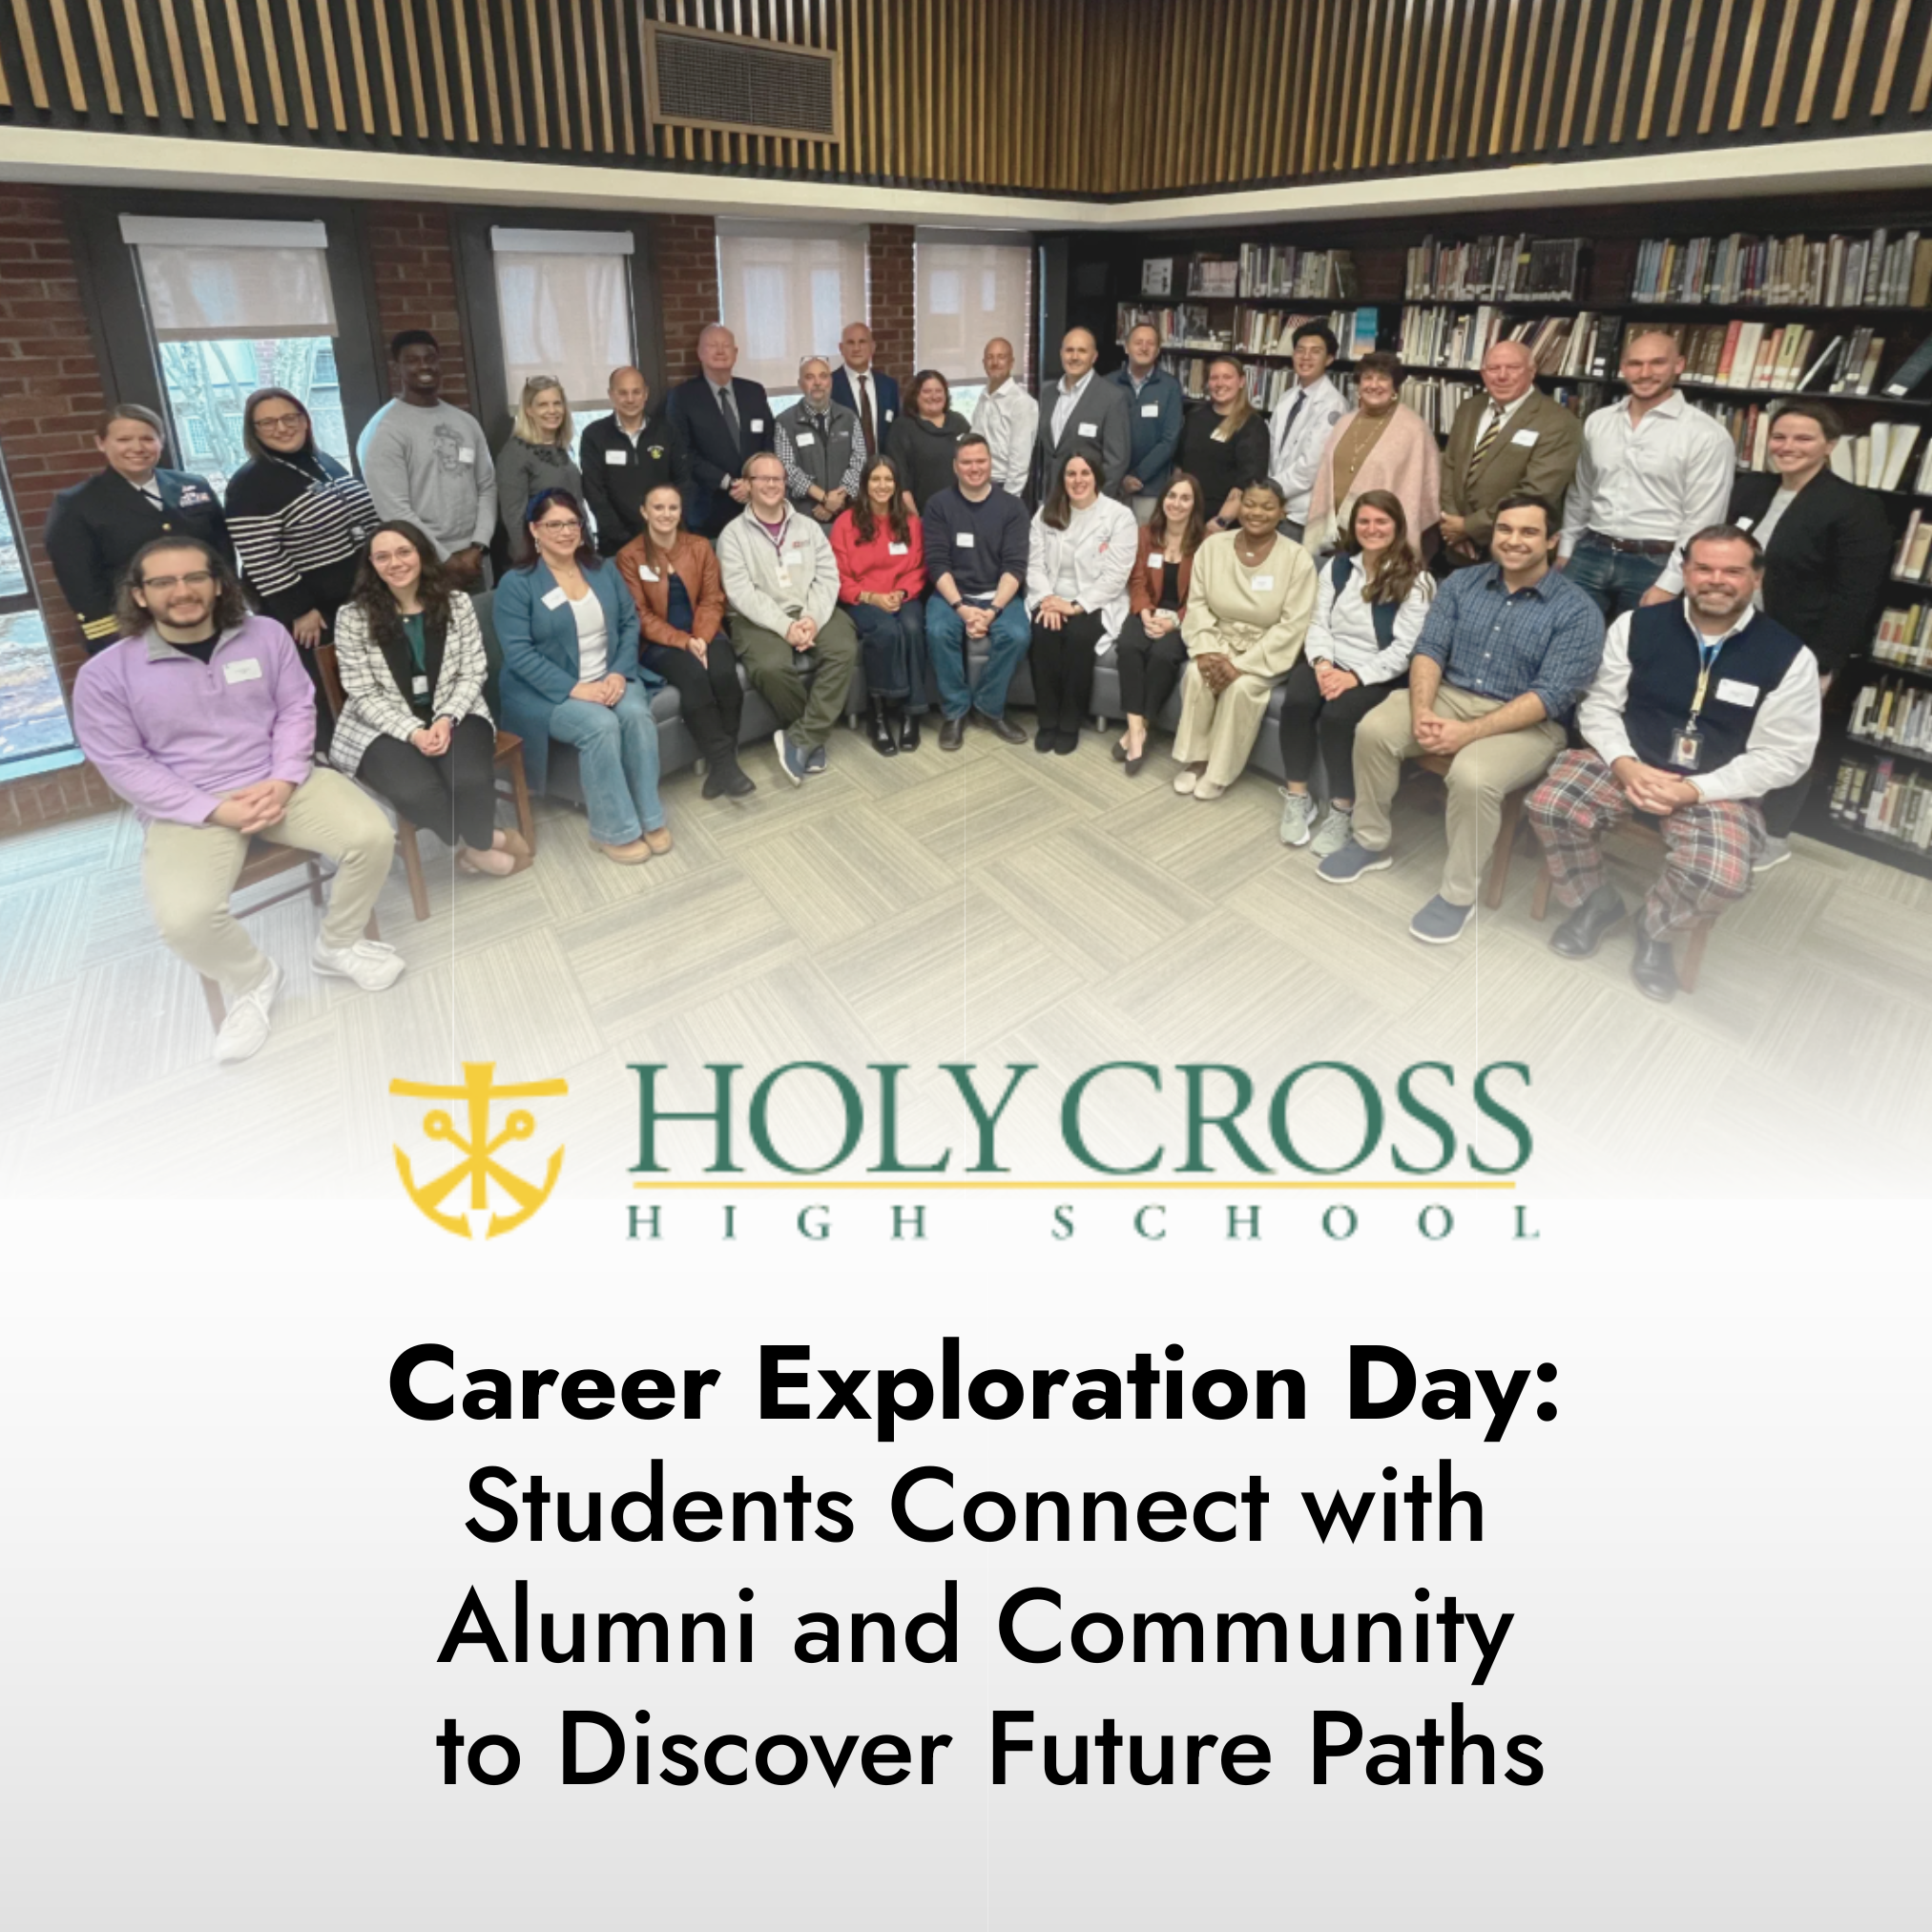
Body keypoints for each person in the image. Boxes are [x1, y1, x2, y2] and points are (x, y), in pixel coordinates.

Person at [70, 538, 403, 1064]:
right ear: (138, 595)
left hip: (280, 777)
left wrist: (285, 778)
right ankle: (254, 979)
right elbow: (122, 765)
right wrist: (214, 809)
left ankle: (338, 943)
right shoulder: (105, 675)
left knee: (374, 835)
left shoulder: (265, 635)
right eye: (163, 582)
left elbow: (297, 708)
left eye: (194, 577)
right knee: (185, 920)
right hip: (188, 806)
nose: (182, 592)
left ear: (219, 583)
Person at [1527, 525, 1820, 1002]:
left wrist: (1695, 790)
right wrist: (1624, 764)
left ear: (1757, 579)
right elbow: (1599, 707)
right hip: (1629, 761)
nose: (1716, 580)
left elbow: (1786, 755)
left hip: (1717, 786)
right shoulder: (1636, 626)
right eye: (1703, 568)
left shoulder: (1790, 657)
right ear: (1684, 571)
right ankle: (1596, 902)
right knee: (1549, 805)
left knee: (1721, 876)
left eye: (1733, 571)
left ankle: (1655, 927)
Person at [1318, 491, 1605, 945]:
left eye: (1529, 532)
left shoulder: (1577, 611)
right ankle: (1370, 842)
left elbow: (1551, 695)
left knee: (1472, 777)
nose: (1514, 540)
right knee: (1373, 730)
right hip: (1448, 696)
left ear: (1551, 541)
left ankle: (1457, 895)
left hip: (1528, 722)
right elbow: (1429, 649)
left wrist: (1468, 733)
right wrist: (1423, 709)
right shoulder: (1461, 583)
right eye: (1505, 529)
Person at [1727, 399, 1893, 869]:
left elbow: (1856, 596)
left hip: (1801, 645)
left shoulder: (1855, 507)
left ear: (1830, 445)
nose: (1788, 446)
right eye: (1780, 437)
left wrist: (1823, 663)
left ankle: (1774, 834)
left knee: (1787, 737)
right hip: (1739, 632)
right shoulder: (1753, 489)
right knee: (1736, 726)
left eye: (1803, 438)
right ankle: (1726, 818)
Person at [328, 521, 527, 878]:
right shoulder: (352, 617)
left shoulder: (456, 603)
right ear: (371, 564)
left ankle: (477, 846)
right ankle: (480, 841)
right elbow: (361, 691)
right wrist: (412, 732)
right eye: (383, 556)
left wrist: (445, 719)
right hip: (381, 722)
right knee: (419, 793)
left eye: (404, 552)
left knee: (468, 779)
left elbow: (472, 671)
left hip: (454, 708)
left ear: (421, 553)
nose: (395, 563)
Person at [496, 487, 669, 864]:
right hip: (546, 692)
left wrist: (619, 674)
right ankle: (613, 830)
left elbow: (627, 623)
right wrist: (576, 688)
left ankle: (650, 816)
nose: (565, 532)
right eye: (553, 524)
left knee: (637, 717)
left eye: (572, 523)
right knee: (600, 726)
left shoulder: (602, 569)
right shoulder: (517, 584)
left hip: (610, 676)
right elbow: (519, 654)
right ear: (535, 530)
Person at [1277, 489, 1434, 859]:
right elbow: (1319, 623)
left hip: (1377, 671)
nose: (1372, 528)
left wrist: (1355, 678)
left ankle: (1343, 809)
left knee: (1337, 717)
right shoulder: (1338, 566)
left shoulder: (1417, 580)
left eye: (1382, 521)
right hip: (1329, 659)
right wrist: (1323, 664)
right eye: (1364, 521)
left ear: (1397, 526)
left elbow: (1405, 650)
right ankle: (1298, 797)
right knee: (1297, 701)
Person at [222, 386, 376, 737]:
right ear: (254, 431)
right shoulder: (250, 483)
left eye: (290, 417)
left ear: (305, 421)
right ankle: (328, 755)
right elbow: (260, 555)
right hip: (310, 614)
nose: (282, 427)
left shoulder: (323, 461)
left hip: (354, 599)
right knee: (323, 691)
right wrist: (299, 609)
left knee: (357, 682)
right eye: (268, 422)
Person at [1559, 328, 1735, 618]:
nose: (1645, 372)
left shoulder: (1706, 435)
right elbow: (1582, 492)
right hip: (1591, 550)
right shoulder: (1598, 422)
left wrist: (1671, 583)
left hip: (1656, 562)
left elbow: (1703, 520)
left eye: (1657, 363)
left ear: (1678, 365)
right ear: (1623, 368)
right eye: (1635, 364)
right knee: (1567, 641)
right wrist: (1567, 548)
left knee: (1639, 653)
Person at [717, 452, 861, 784]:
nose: (771, 484)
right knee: (769, 666)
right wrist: (785, 627)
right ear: (748, 485)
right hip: (756, 617)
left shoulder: (808, 528)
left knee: (843, 648)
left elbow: (828, 578)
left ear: (786, 484)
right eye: (762, 478)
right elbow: (742, 593)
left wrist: (811, 618)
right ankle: (810, 735)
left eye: (777, 478)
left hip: (810, 607)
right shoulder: (733, 535)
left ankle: (802, 738)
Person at [1172, 476, 1318, 801]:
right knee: (1198, 674)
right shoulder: (1213, 546)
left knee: (1239, 688)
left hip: (1266, 651)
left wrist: (1240, 664)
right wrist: (1208, 650)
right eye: (1249, 504)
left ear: (1282, 513)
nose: (1256, 513)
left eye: (1267, 507)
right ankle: (1196, 760)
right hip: (1218, 639)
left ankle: (1220, 771)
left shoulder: (1297, 559)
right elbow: (1197, 604)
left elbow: (1293, 625)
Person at [45, 404, 232, 652]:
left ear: (161, 442)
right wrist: (116, 638)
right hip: (135, 630)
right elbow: (82, 585)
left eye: (147, 438)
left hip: (207, 617)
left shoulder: (193, 486)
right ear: (101, 443)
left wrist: (229, 607)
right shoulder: (77, 504)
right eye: (124, 439)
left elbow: (223, 554)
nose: (137, 448)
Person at [616, 481, 754, 800]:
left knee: (723, 674)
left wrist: (702, 638)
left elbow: (712, 599)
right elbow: (641, 616)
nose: (666, 514)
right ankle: (726, 764)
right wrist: (684, 642)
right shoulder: (629, 556)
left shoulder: (699, 546)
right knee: (694, 678)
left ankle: (722, 767)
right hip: (659, 644)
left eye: (673, 508)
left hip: (704, 632)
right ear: (644, 512)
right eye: (658, 507)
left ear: (681, 512)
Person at [356, 331, 495, 587]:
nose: (424, 366)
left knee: (480, 624)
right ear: (397, 368)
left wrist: (479, 545)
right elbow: (394, 509)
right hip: (423, 563)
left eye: (430, 358)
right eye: (412, 360)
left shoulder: (465, 422)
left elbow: (486, 486)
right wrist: (445, 559)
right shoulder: (384, 430)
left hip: (475, 560)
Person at [923, 435, 1033, 750]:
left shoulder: (1012, 507)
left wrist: (993, 610)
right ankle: (956, 712)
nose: (975, 468)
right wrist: (961, 607)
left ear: (991, 463)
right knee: (939, 630)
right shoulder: (938, 505)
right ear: (955, 467)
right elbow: (937, 563)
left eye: (981, 461)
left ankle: (988, 706)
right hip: (952, 594)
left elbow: (1015, 567)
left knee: (1017, 635)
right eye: (967, 462)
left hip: (998, 594)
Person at [1437, 340, 1583, 574]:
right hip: (1460, 550)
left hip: (1517, 550)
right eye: (1493, 369)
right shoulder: (1469, 408)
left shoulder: (1559, 422)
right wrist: (1451, 524)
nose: (1502, 376)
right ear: (1483, 374)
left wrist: (1469, 527)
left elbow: (1537, 491)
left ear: (1532, 372)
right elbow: (1450, 467)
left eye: (1513, 368)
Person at [1025, 454, 1138, 754]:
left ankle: (1069, 722)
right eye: (1071, 474)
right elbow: (1034, 566)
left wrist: (1075, 606)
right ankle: (1047, 721)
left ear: (1096, 476)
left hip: (1097, 600)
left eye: (1085, 473)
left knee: (1078, 637)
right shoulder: (1045, 513)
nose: (1078, 480)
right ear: (1062, 478)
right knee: (1043, 634)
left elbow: (1116, 576)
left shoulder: (1119, 517)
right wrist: (1048, 601)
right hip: (1050, 595)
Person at [831, 454, 928, 757]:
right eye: (876, 479)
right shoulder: (846, 523)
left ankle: (912, 713)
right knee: (885, 631)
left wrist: (900, 591)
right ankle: (879, 715)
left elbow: (919, 567)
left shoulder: (910, 520)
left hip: (902, 595)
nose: (882, 485)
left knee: (912, 627)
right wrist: (871, 597)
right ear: (864, 484)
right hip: (862, 599)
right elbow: (837, 574)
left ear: (897, 485)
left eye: (889, 479)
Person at [1302, 351, 1440, 558]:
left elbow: (1422, 492)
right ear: (1358, 386)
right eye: (1367, 378)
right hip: (1336, 533)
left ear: (1395, 387)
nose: (1374, 385)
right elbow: (1325, 477)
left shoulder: (1414, 429)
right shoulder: (1344, 423)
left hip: (1379, 535)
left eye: (1383, 378)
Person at [1111, 471, 1206, 775]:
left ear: (1194, 504)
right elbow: (1137, 579)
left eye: (1185, 498)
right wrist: (1145, 612)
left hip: (1182, 617)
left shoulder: (1206, 542)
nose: (1176, 504)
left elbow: (1203, 594)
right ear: (1162, 499)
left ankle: (1135, 731)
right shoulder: (1144, 534)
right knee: (1128, 647)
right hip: (1147, 610)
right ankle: (1138, 730)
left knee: (1163, 656)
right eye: (1171, 496)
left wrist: (1176, 622)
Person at [666, 324, 774, 540]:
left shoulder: (754, 391)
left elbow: (769, 441)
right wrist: (729, 482)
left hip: (757, 503)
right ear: (700, 353)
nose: (720, 351)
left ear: (736, 353)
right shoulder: (683, 397)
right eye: (712, 345)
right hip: (709, 509)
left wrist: (754, 482)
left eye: (726, 346)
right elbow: (682, 452)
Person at [580, 364, 692, 557]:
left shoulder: (667, 432)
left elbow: (683, 483)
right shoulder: (594, 435)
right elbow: (594, 492)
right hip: (616, 547)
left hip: (666, 540)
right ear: (611, 395)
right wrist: (622, 537)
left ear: (645, 394)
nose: (630, 399)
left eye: (636, 392)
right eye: (623, 393)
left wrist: (663, 529)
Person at [1266, 324, 1347, 544]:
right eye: (1300, 350)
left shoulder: (1334, 405)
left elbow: (1311, 467)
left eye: (1315, 351)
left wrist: (1271, 491)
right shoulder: (1287, 397)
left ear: (1329, 359)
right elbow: (1272, 450)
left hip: (1301, 514)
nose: (1306, 357)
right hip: (1275, 506)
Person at [1176, 356, 1273, 533]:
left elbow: (1248, 482)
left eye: (1227, 377)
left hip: (1222, 524)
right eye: (1214, 378)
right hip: (1187, 515)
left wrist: (1221, 522)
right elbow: (1180, 466)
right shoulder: (1195, 416)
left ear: (1242, 381)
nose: (1220, 383)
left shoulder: (1252, 425)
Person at [496, 375, 584, 567]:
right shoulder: (515, 453)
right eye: (543, 405)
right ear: (529, 410)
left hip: (572, 552)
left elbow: (577, 503)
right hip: (539, 560)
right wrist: (531, 563)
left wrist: (588, 549)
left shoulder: (562, 448)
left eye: (557, 403)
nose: (552, 411)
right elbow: (514, 518)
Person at [1037, 327, 1131, 503]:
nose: (1074, 357)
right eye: (1069, 350)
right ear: (1061, 354)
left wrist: (1095, 502)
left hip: (1090, 503)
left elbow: (1116, 461)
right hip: (1051, 501)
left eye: (1082, 351)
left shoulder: (1112, 398)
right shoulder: (1047, 394)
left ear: (1094, 357)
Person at [1108, 323, 1185, 524]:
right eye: (1138, 342)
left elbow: (1170, 439)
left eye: (1150, 343)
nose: (1144, 348)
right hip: (1112, 486)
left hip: (1151, 488)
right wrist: (1121, 477)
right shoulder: (1107, 383)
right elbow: (1102, 437)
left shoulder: (1170, 387)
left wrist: (1138, 475)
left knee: (1147, 547)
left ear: (1158, 350)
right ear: (1126, 347)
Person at [776, 356, 863, 523]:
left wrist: (837, 499)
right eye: (809, 377)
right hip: (803, 516)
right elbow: (787, 469)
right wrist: (824, 498)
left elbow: (859, 460)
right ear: (800, 384)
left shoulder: (849, 417)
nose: (817, 382)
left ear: (830, 381)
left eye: (823, 376)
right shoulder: (785, 421)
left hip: (846, 514)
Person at [886, 370, 972, 514]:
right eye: (926, 391)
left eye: (939, 391)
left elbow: (972, 468)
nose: (933, 396)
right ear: (915, 395)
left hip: (962, 513)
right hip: (922, 515)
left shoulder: (959, 423)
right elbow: (900, 484)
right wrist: (916, 521)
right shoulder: (902, 428)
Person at [969, 337, 1038, 497]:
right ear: (983, 362)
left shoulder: (1021, 403)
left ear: (1011, 362)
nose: (995, 362)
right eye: (990, 357)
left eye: (1001, 357)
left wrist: (1007, 502)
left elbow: (1019, 464)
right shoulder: (984, 396)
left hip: (1005, 487)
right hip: (980, 484)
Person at [831, 321, 901, 461]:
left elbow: (897, 432)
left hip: (882, 473)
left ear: (872, 347)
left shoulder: (889, 386)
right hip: (843, 474)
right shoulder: (830, 385)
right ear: (841, 348)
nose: (856, 348)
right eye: (850, 343)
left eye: (862, 342)